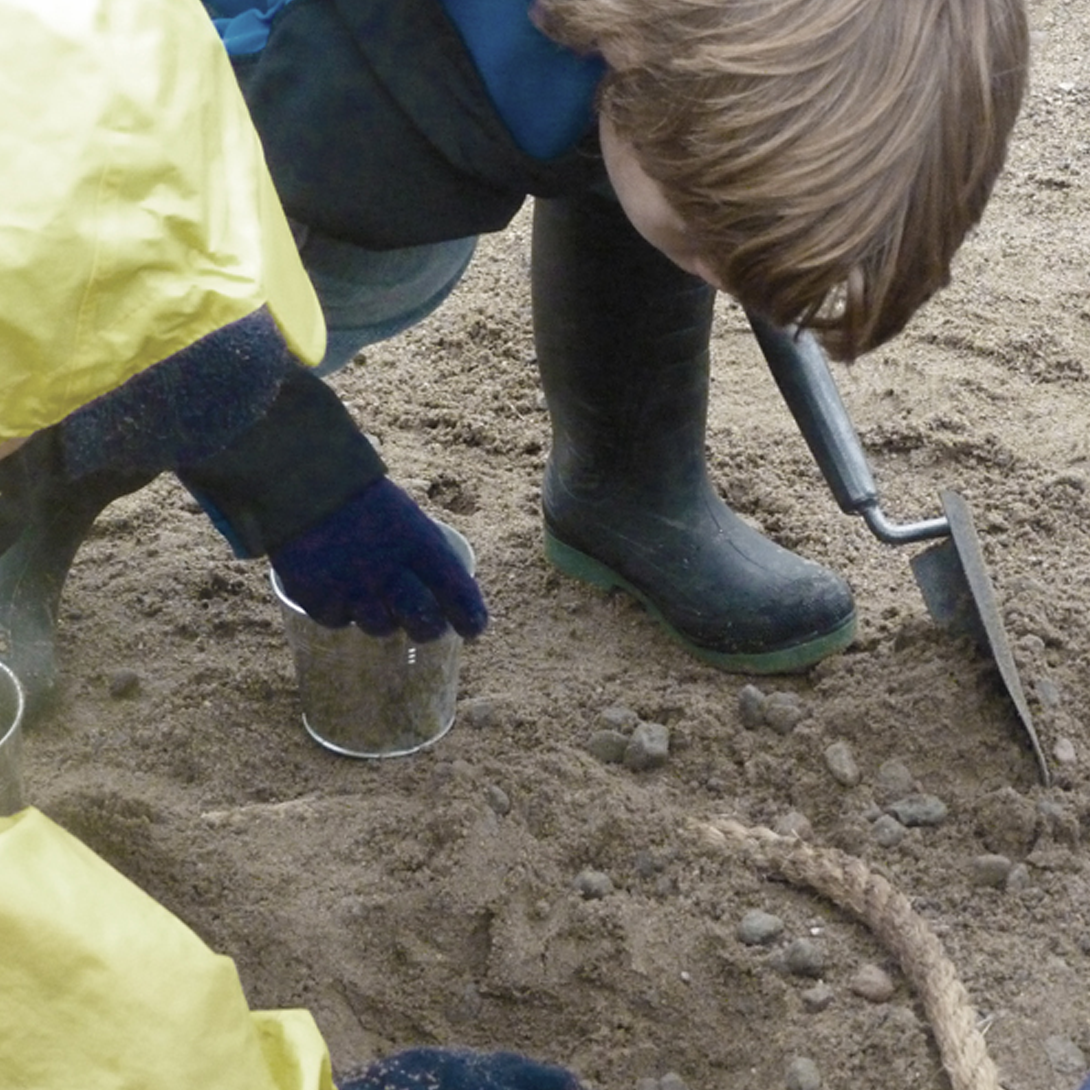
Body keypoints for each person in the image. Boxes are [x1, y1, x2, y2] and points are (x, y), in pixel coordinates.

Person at [0, 0, 1029, 715]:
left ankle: (630, 487)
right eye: (709, 248)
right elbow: (108, 234)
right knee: (355, 271)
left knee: (652, 182)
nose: (729, 284)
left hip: (574, 61)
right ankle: (29, 490)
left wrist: (734, 219)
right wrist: (303, 480)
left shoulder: (674, 44)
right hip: (77, 130)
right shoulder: (303, 66)